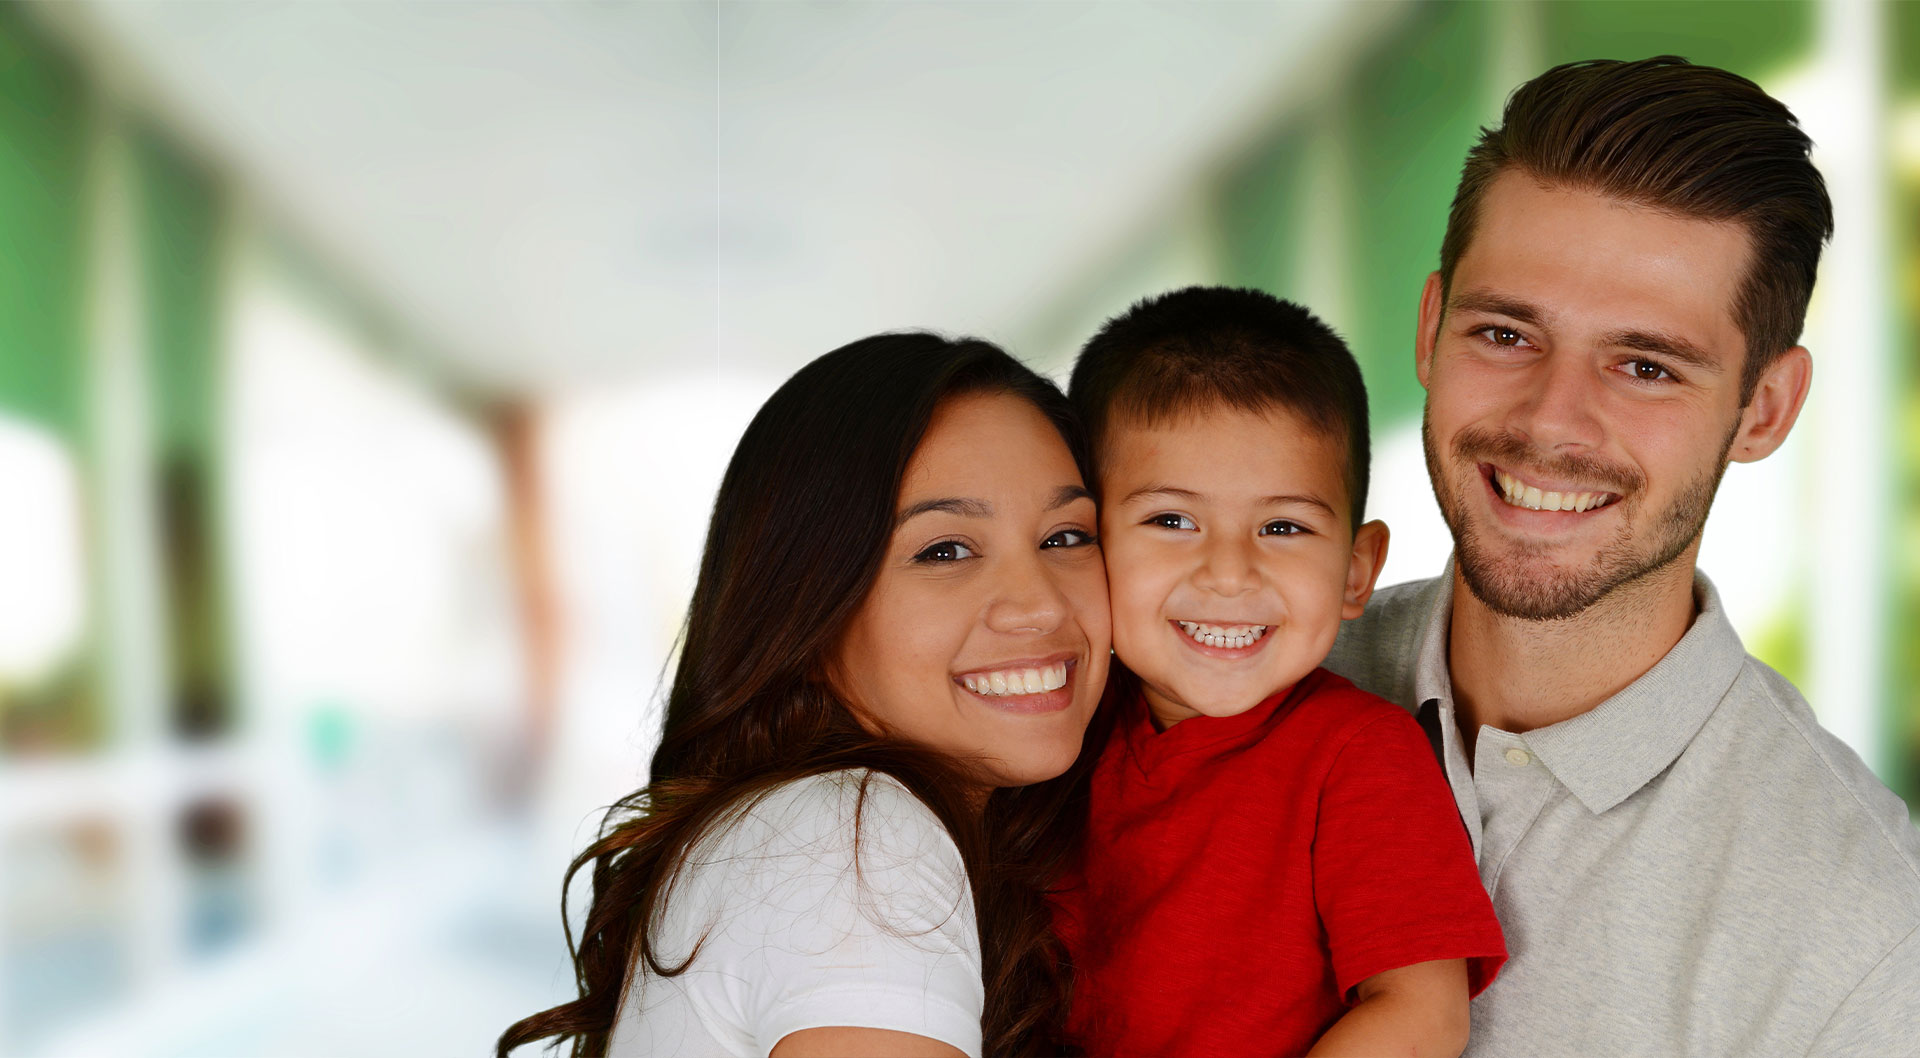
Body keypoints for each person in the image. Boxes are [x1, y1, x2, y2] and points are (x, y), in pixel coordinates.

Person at [1323, 56, 1920, 1055]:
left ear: (1764, 408)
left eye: (1646, 365)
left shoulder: (1865, 938)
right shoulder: (1230, 679)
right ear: (1430, 329)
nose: (1552, 418)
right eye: (1507, 333)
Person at [496, 333, 1112, 1057]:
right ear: (809, 607)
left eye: (1067, 536)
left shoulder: (807, 829)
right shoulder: (853, 837)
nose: (1039, 605)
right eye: (945, 550)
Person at [1052, 286, 1507, 1057]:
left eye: (1283, 526)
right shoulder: (1056, 733)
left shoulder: (1359, 756)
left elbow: (1420, 1016)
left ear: (1356, 572)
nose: (1229, 573)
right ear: (1084, 543)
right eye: (1171, 520)